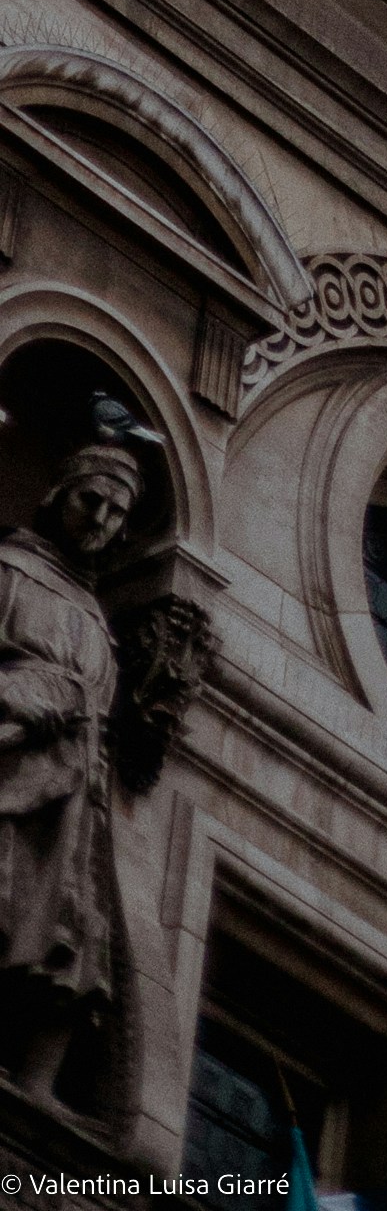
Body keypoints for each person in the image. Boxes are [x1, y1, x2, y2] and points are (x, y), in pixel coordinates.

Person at [0, 437, 140, 1088]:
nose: (101, 521)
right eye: (92, 500)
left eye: (117, 513)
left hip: (74, 796)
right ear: (60, 493)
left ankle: (34, 1081)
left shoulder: (97, 617)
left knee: (67, 937)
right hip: (13, 766)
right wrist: (22, 692)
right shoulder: (7, 568)